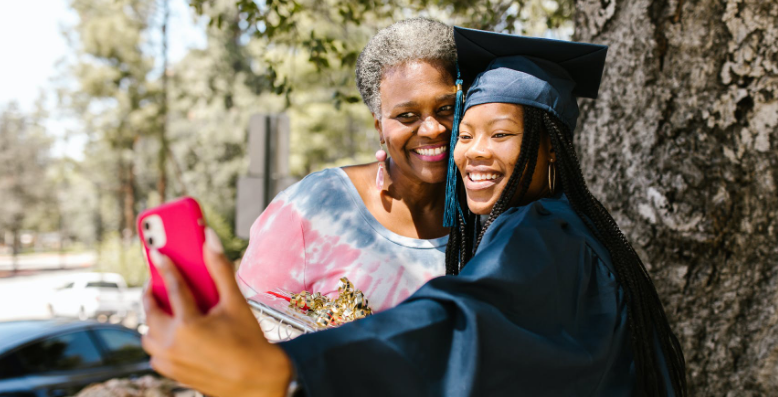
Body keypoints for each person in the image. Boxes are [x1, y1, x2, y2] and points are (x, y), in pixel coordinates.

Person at [142, 27, 688, 397]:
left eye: (499, 134)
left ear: (552, 149)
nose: (467, 147)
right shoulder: (564, 230)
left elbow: (463, 327)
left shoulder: (542, 232)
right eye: (468, 134)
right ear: (378, 124)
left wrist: (290, 372)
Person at [237, 17, 457, 312]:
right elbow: (246, 331)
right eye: (407, 115)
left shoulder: (487, 211)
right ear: (379, 127)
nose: (432, 129)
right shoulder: (312, 207)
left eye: (446, 109)